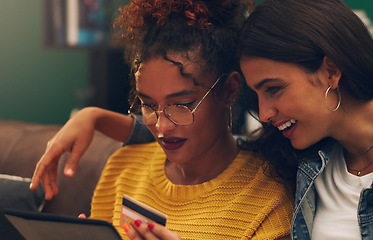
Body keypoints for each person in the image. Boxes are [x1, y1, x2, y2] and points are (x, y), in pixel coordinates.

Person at [31, 0, 294, 239]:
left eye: (181, 105)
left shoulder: (268, 198)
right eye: (148, 104)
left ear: (229, 91)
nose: (162, 126)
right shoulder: (123, 168)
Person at [237, 0, 373, 239]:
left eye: (273, 89)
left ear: (331, 71)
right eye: (256, 95)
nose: (264, 113)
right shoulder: (298, 159)